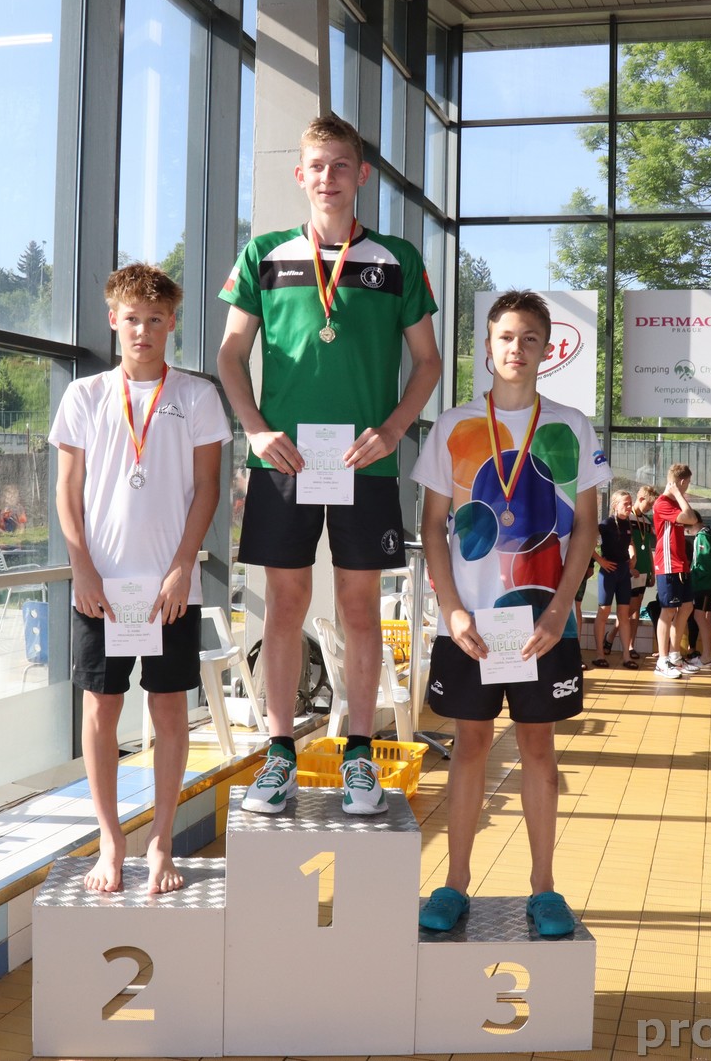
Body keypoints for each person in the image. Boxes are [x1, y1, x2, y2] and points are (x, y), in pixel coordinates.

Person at [217, 115, 441, 815]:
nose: (328, 177)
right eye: (316, 166)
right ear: (300, 175)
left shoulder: (397, 258)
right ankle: (280, 754)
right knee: (284, 606)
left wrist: (393, 430)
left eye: (341, 165)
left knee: (358, 609)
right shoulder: (264, 254)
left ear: (361, 173)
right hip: (283, 461)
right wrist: (255, 430)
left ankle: (359, 755)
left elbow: (428, 362)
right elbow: (230, 355)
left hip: (362, 463)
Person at [412, 290, 606, 937]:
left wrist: (559, 610)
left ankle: (543, 888)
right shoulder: (454, 426)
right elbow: (432, 525)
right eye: (505, 337)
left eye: (529, 338)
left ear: (547, 350)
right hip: (469, 622)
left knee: (538, 747)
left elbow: (585, 528)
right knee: (468, 745)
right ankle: (454, 882)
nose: (516, 348)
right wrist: (451, 609)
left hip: (542, 621)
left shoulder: (572, 427)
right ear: (487, 347)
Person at [50, 263, 229, 894]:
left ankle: (161, 840)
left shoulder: (197, 397)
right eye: (132, 319)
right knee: (101, 708)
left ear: (172, 322)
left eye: (155, 319)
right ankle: (110, 839)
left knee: (170, 707)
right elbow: (67, 491)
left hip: (169, 589)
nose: (143, 331)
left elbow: (207, 488)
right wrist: (82, 568)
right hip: (101, 586)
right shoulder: (85, 396)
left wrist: (182, 567)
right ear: (113, 320)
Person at [652, 463, 697, 680]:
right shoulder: (662, 503)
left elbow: (691, 519)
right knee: (668, 610)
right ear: (681, 481)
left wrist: (679, 496)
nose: (687, 487)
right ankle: (662, 661)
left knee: (686, 606)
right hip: (668, 564)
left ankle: (675, 656)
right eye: (687, 484)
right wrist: (679, 494)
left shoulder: (675, 503)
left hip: (681, 563)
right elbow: (691, 519)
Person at [592, 490, 637, 669]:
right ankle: (599, 654)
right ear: (615, 505)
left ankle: (626, 656)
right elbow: (587, 541)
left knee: (624, 615)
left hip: (623, 573)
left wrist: (633, 556)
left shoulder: (628, 523)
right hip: (608, 572)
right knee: (604, 611)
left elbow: (630, 542)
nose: (629, 506)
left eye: (630, 503)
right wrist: (600, 561)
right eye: (626, 503)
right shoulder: (607, 524)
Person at [685, 509, 711, 667]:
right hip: (710, 583)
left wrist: (691, 575)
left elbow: (703, 563)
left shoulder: (702, 536)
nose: (684, 529)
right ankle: (707, 654)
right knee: (704, 618)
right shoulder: (710, 534)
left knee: (700, 617)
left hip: (703, 584)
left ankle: (707, 655)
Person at [627, 485, 658, 656]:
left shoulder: (646, 521)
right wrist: (629, 565)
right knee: (629, 608)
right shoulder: (626, 516)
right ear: (640, 499)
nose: (650, 508)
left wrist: (652, 571)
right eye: (649, 504)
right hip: (632, 569)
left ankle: (631, 645)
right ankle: (611, 635)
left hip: (645, 569)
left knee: (637, 608)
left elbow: (648, 548)